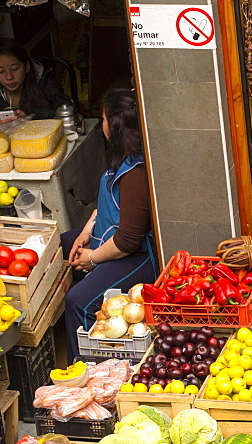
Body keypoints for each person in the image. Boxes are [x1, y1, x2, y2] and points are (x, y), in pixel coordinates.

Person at [61, 89, 157, 360]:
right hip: (107, 235)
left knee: (77, 301)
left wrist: (92, 258)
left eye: (102, 118)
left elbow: (128, 241)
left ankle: (81, 370)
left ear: (112, 126)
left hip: (135, 256)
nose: (100, 124)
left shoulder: (135, 174)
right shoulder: (121, 157)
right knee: (63, 244)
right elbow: (104, 204)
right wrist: (85, 232)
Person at [0, 39, 72, 122]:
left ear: (27, 67)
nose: (9, 77)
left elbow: (66, 109)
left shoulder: (44, 81)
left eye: (15, 69)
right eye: (1, 71)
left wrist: (30, 120)